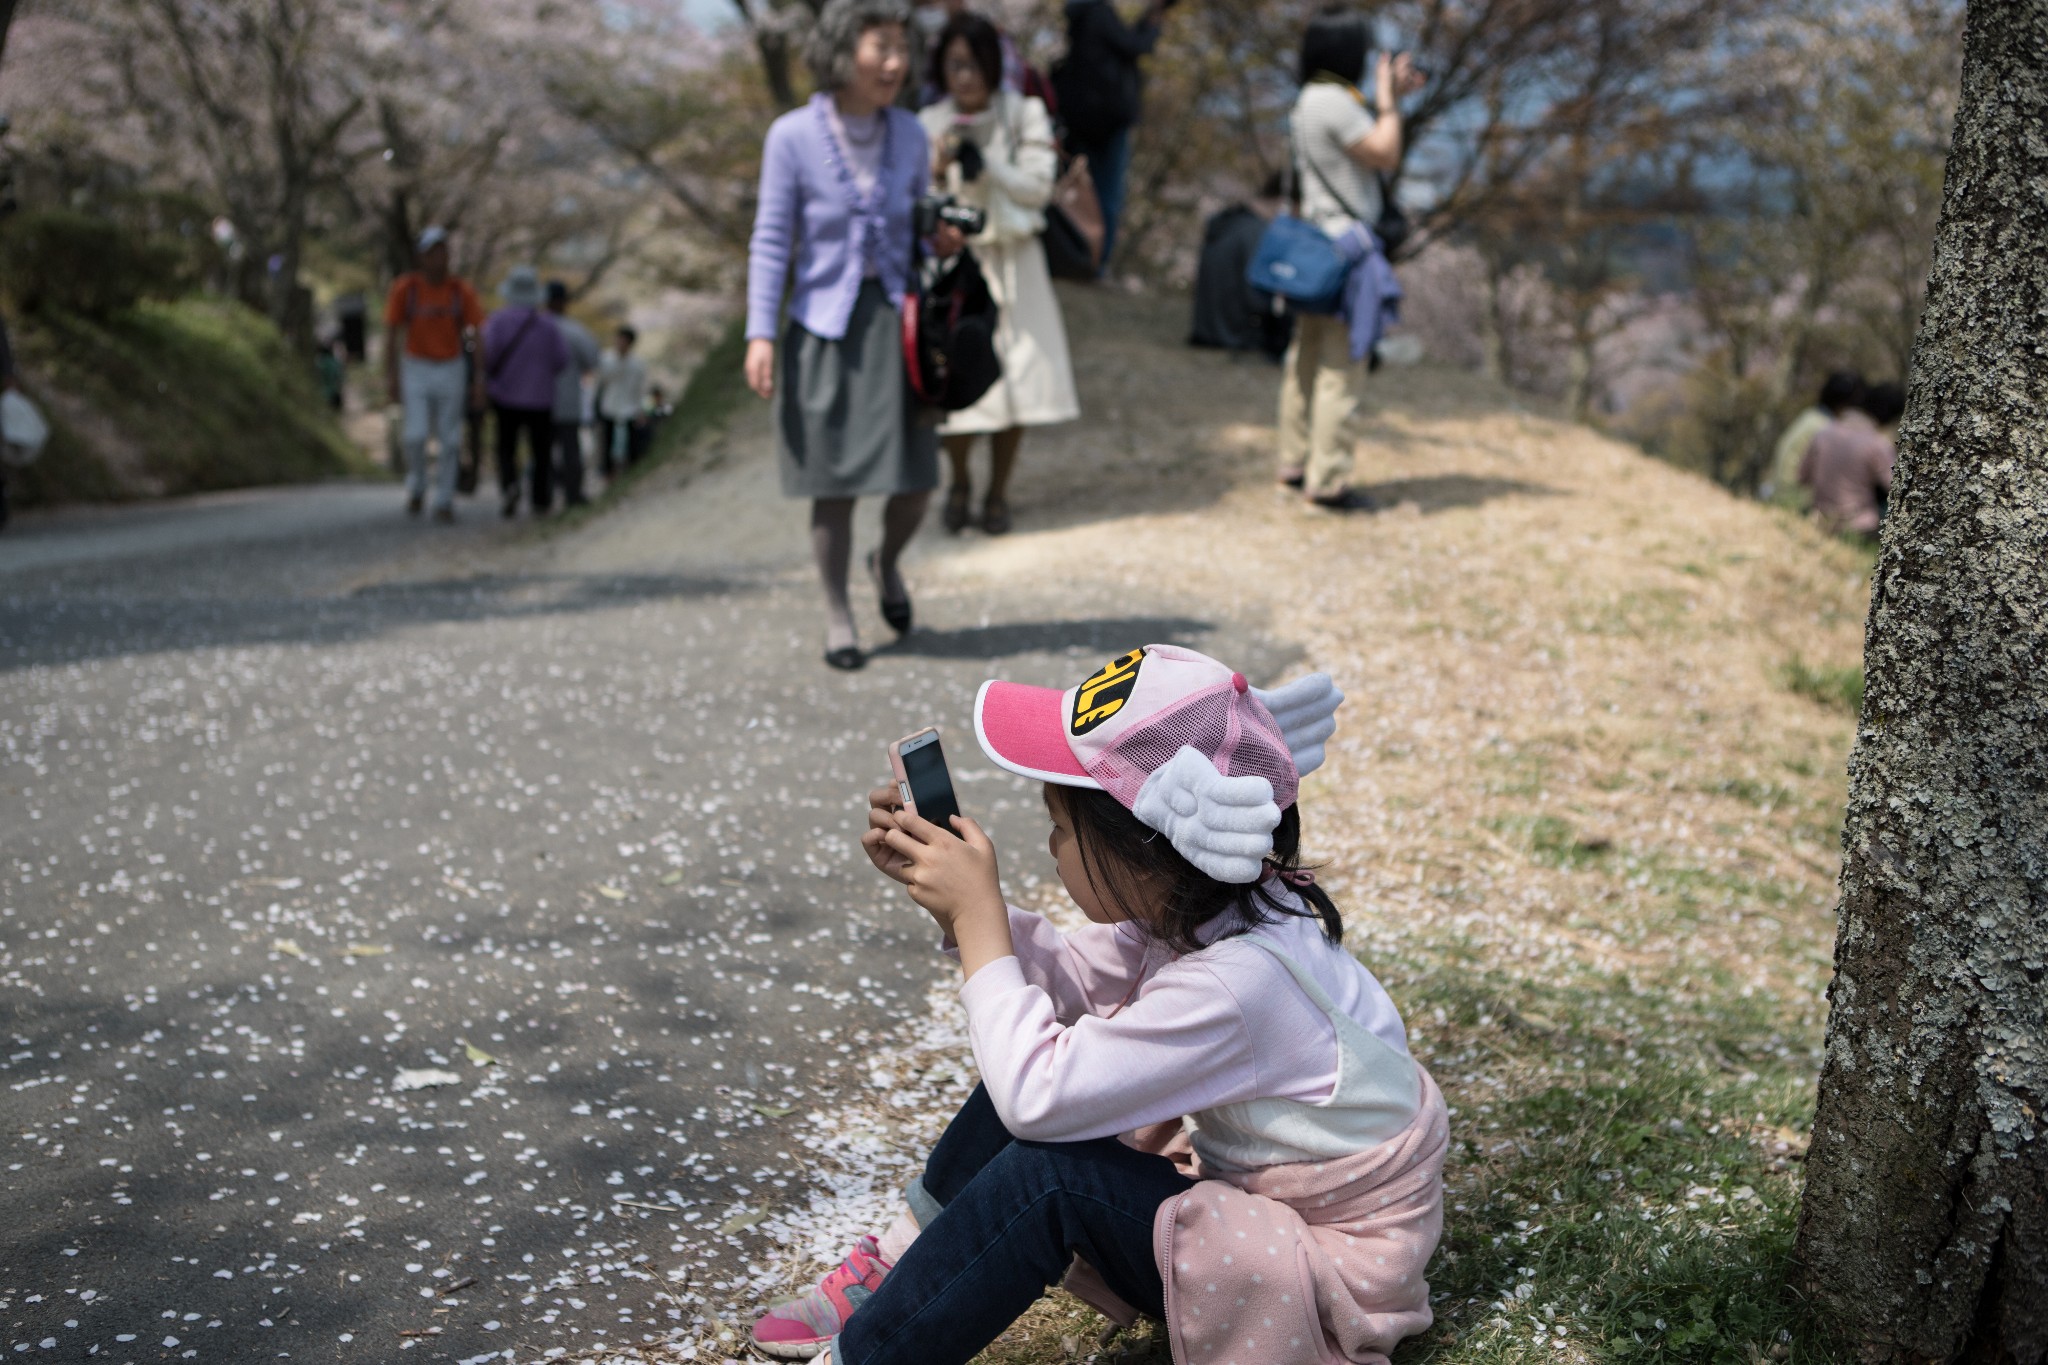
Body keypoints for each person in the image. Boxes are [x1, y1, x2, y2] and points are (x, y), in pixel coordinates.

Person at [748, 645, 1448, 1364]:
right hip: (1261, 1209)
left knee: (1046, 1166)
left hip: (1314, 1272)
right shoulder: (1218, 905)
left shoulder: (1242, 984)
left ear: (1143, 849)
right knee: (1031, 1048)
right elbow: (1064, 983)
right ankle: (895, 1265)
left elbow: (1035, 1098)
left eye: (1060, 825)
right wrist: (961, 911)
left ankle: (864, 1352)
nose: (1051, 846)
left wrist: (982, 918)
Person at [745, 0, 961, 672]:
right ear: (844, 52)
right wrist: (760, 333)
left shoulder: (912, 133)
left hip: (899, 325)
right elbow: (772, 239)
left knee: (918, 477)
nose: (896, 62)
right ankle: (838, 613)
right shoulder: (791, 136)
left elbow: (916, 218)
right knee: (831, 483)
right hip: (824, 329)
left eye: (903, 48)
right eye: (881, 47)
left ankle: (886, 562)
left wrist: (941, 232)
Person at [919, 12, 1080, 537]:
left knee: (1021, 382)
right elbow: (923, 203)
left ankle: (998, 493)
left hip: (1018, 261)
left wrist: (985, 162)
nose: (965, 76)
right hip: (961, 268)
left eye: (974, 64)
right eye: (954, 65)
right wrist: (941, 170)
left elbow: (1037, 188)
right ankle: (960, 481)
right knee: (957, 381)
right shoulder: (929, 123)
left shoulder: (1024, 113)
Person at [1276, 10, 1422, 512]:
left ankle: (1294, 463)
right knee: (1343, 364)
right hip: (1347, 251)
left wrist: (1388, 98)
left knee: (1306, 358)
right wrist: (1388, 102)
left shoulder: (1308, 100)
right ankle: (1329, 478)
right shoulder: (1335, 101)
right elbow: (1384, 152)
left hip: (1316, 245)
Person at [1051, 0, 1170, 272]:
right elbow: (1134, 47)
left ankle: (1078, 255)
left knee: (1080, 190)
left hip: (1081, 119)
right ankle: (1095, 262)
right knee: (1106, 194)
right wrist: (1152, 25)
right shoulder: (1098, 12)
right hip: (1107, 120)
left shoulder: (1080, 15)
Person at [384, 226, 485, 522]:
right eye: (431, 252)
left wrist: (479, 378)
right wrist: (391, 376)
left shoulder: (460, 291)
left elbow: (476, 333)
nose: (438, 258)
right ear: (421, 257)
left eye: (442, 251)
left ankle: (444, 499)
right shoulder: (407, 288)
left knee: (450, 439)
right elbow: (392, 332)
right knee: (415, 435)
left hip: (451, 366)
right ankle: (417, 485)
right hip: (415, 366)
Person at [481, 265, 571, 517]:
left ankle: (510, 485)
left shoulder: (497, 321)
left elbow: (486, 357)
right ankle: (541, 499)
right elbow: (562, 360)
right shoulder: (548, 324)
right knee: (541, 451)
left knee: (506, 447)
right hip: (541, 398)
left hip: (505, 396)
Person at [1189, 171, 1294, 361]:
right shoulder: (1258, 234)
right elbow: (1258, 298)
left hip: (1208, 330)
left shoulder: (1228, 221)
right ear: (1283, 202)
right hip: (1237, 335)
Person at [1799, 379, 1904, 544]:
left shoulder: (1823, 433)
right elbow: (1897, 488)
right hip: (1860, 528)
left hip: (1819, 520)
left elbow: (1802, 477)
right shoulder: (1877, 444)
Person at [1766, 370, 1862, 510]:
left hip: (1782, 492)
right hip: (1795, 499)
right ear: (1845, 404)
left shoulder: (1811, 416)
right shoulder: (1826, 428)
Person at [544, 281, 602, 508]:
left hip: (536, 401)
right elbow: (592, 360)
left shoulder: (535, 327)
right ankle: (573, 493)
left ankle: (543, 496)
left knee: (542, 450)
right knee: (570, 450)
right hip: (568, 399)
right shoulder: (575, 331)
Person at [595, 326, 650, 479]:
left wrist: (641, 409)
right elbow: (601, 381)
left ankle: (632, 468)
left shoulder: (637, 364)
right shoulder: (606, 359)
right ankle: (607, 471)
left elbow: (640, 388)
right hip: (610, 405)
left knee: (632, 441)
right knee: (607, 441)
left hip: (630, 406)